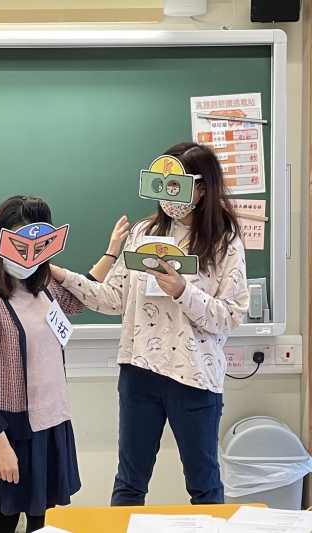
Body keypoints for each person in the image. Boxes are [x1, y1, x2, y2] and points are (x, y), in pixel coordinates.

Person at [51, 142, 250, 506]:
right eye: (162, 184)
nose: (168, 195)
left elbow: (230, 316)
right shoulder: (144, 232)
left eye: (176, 185)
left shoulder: (224, 241)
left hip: (194, 376)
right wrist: (62, 275)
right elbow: (114, 298)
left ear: (202, 188)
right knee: (129, 482)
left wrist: (182, 291)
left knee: (204, 485)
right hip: (139, 370)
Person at [0, 195, 128, 533]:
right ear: (0, 241)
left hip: (48, 425)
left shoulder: (41, 282)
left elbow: (80, 297)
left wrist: (110, 253)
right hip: (7, 431)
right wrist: (1, 446)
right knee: (2, 522)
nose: (30, 256)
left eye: (40, 246)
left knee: (44, 523)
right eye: (21, 246)